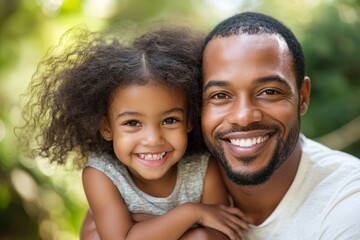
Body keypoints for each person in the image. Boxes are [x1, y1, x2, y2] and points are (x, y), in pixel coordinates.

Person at [81, 11, 360, 239]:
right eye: (220, 96)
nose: (243, 116)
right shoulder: (131, 174)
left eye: (269, 92)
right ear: (198, 108)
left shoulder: (347, 201)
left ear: (303, 97)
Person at [19, 25, 251, 240]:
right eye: (132, 123)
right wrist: (192, 214)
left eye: (170, 120)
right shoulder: (102, 174)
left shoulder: (203, 169)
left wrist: (143, 228)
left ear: (190, 120)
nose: (153, 139)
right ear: (106, 128)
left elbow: (219, 235)